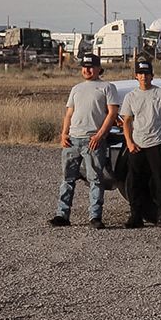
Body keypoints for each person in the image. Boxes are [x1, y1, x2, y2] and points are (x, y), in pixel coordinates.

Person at [50, 52, 119, 229]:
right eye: (84, 67)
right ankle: (62, 215)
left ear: (98, 69)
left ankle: (95, 216)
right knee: (68, 178)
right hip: (73, 139)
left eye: (91, 67)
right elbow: (69, 113)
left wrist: (100, 135)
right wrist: (64, 133)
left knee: (95, 178)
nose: (87, 70)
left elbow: (112, 113)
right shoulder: (76, 89)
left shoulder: (107, 87)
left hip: (93, 140)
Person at [119, 59, 161, 230]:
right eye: (141, 73)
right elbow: (127, 121)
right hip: (137, 144)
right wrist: (129, 142)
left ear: (152, 75)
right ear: (136, 76)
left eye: (147, 73)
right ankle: (136, 216)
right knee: (135, 181)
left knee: (160, 179)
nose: (144, 77)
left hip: (156, 142)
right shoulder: (131, 97)